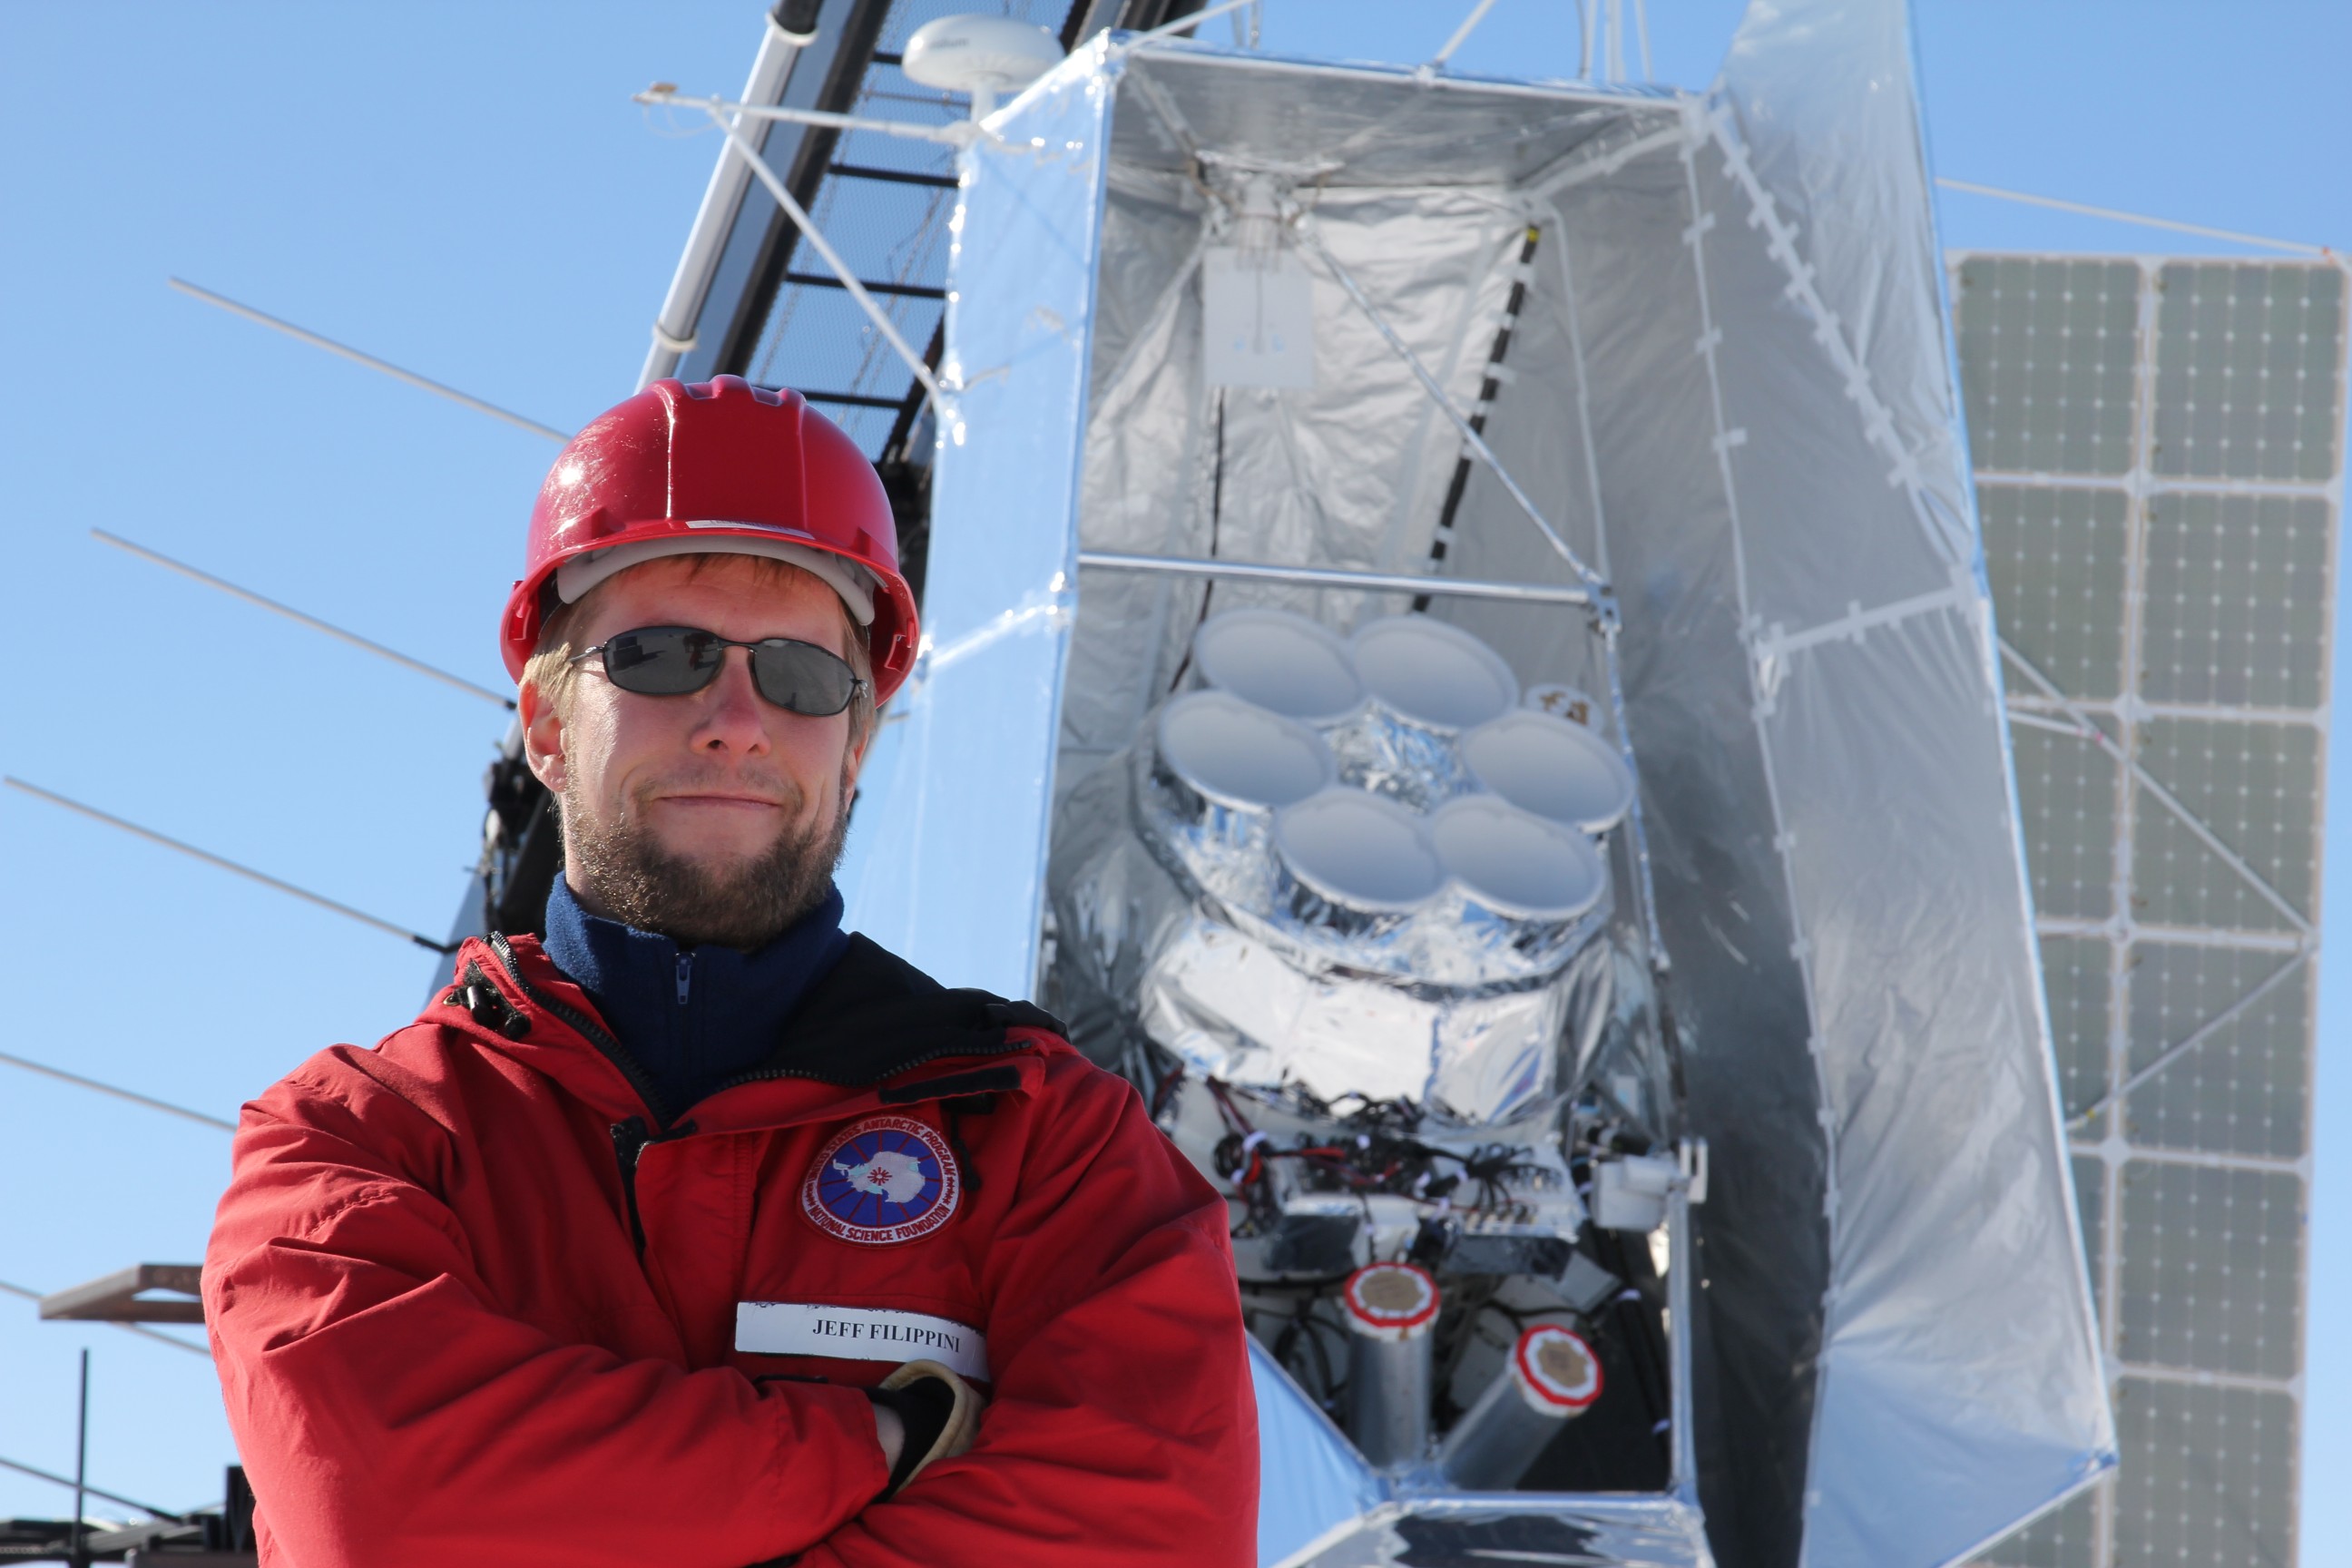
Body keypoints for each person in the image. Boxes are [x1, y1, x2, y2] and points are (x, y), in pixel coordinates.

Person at [203, 376, 1259, 1567]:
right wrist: (876, 1442)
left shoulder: (1049, 1149)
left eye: (805, 678)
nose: (738, 720)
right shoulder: (358, 1150)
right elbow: (383, 1506)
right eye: (663, 656)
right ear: (547, 729)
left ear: (856, 742)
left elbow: (1146, 1534)